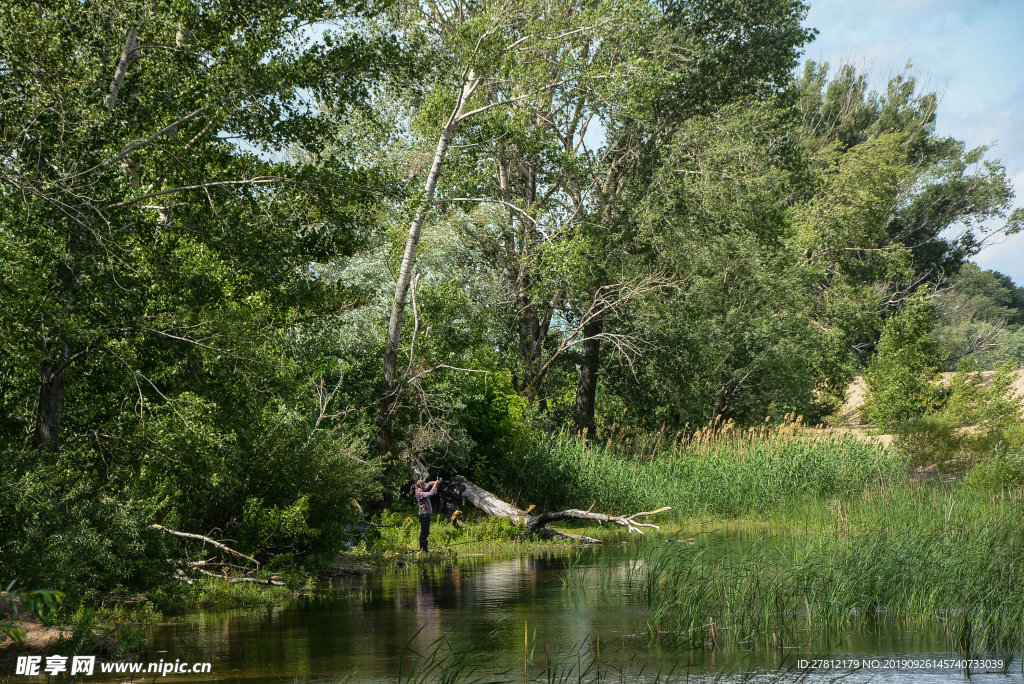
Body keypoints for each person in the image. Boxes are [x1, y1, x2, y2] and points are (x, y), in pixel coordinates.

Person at [414, 479, 439, 553]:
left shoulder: (422, 490)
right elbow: (430, 493)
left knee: (426, 532)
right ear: (421, 485)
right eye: (424, 485)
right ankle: (423, 549)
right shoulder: (419, 493)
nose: (425, 486)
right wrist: (434, 486)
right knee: (424, 532)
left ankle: (425, 549)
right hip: (423, 515)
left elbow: (428, 485)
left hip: (426, 514)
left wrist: (433, 482)